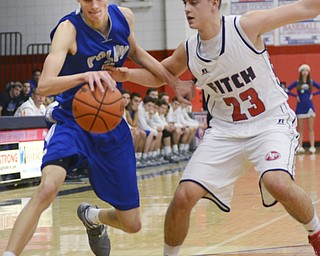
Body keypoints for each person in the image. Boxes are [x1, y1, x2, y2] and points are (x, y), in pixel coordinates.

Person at [106, 0, 320, 254]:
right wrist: (128, 75)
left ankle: (316, 234)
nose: (187, 9)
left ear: (214, 4)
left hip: (270, 122)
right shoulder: (189, 49)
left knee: (277, 182)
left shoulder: (246, 26)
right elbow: (160, 74)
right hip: (225, 130)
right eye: (185, 3)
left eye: (194, 2)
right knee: (183, 196)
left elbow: (307, 8)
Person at [2, 1, 194, 256]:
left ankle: (92, 216)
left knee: (132, 224)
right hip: (73, 121)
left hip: (111, 125)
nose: (93, 5)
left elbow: (137, 53)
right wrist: (84, 76)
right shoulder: (68, 30)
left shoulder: (124, 17)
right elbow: (44, 86)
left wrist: (174, 82)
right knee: (48, 187)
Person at [285, 64, 320, 154]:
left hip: (309, 107)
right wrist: (295, 96)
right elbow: (287, 90)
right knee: (300, 128)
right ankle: (300, 147)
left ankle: (312, 147)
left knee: (310, 127)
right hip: (300, 107)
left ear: (308, 72)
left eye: (306, 70)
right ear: (301, 72)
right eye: (303, 71)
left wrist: (314, 94)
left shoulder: (311, 82)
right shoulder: (297, 82)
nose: (305, 72)